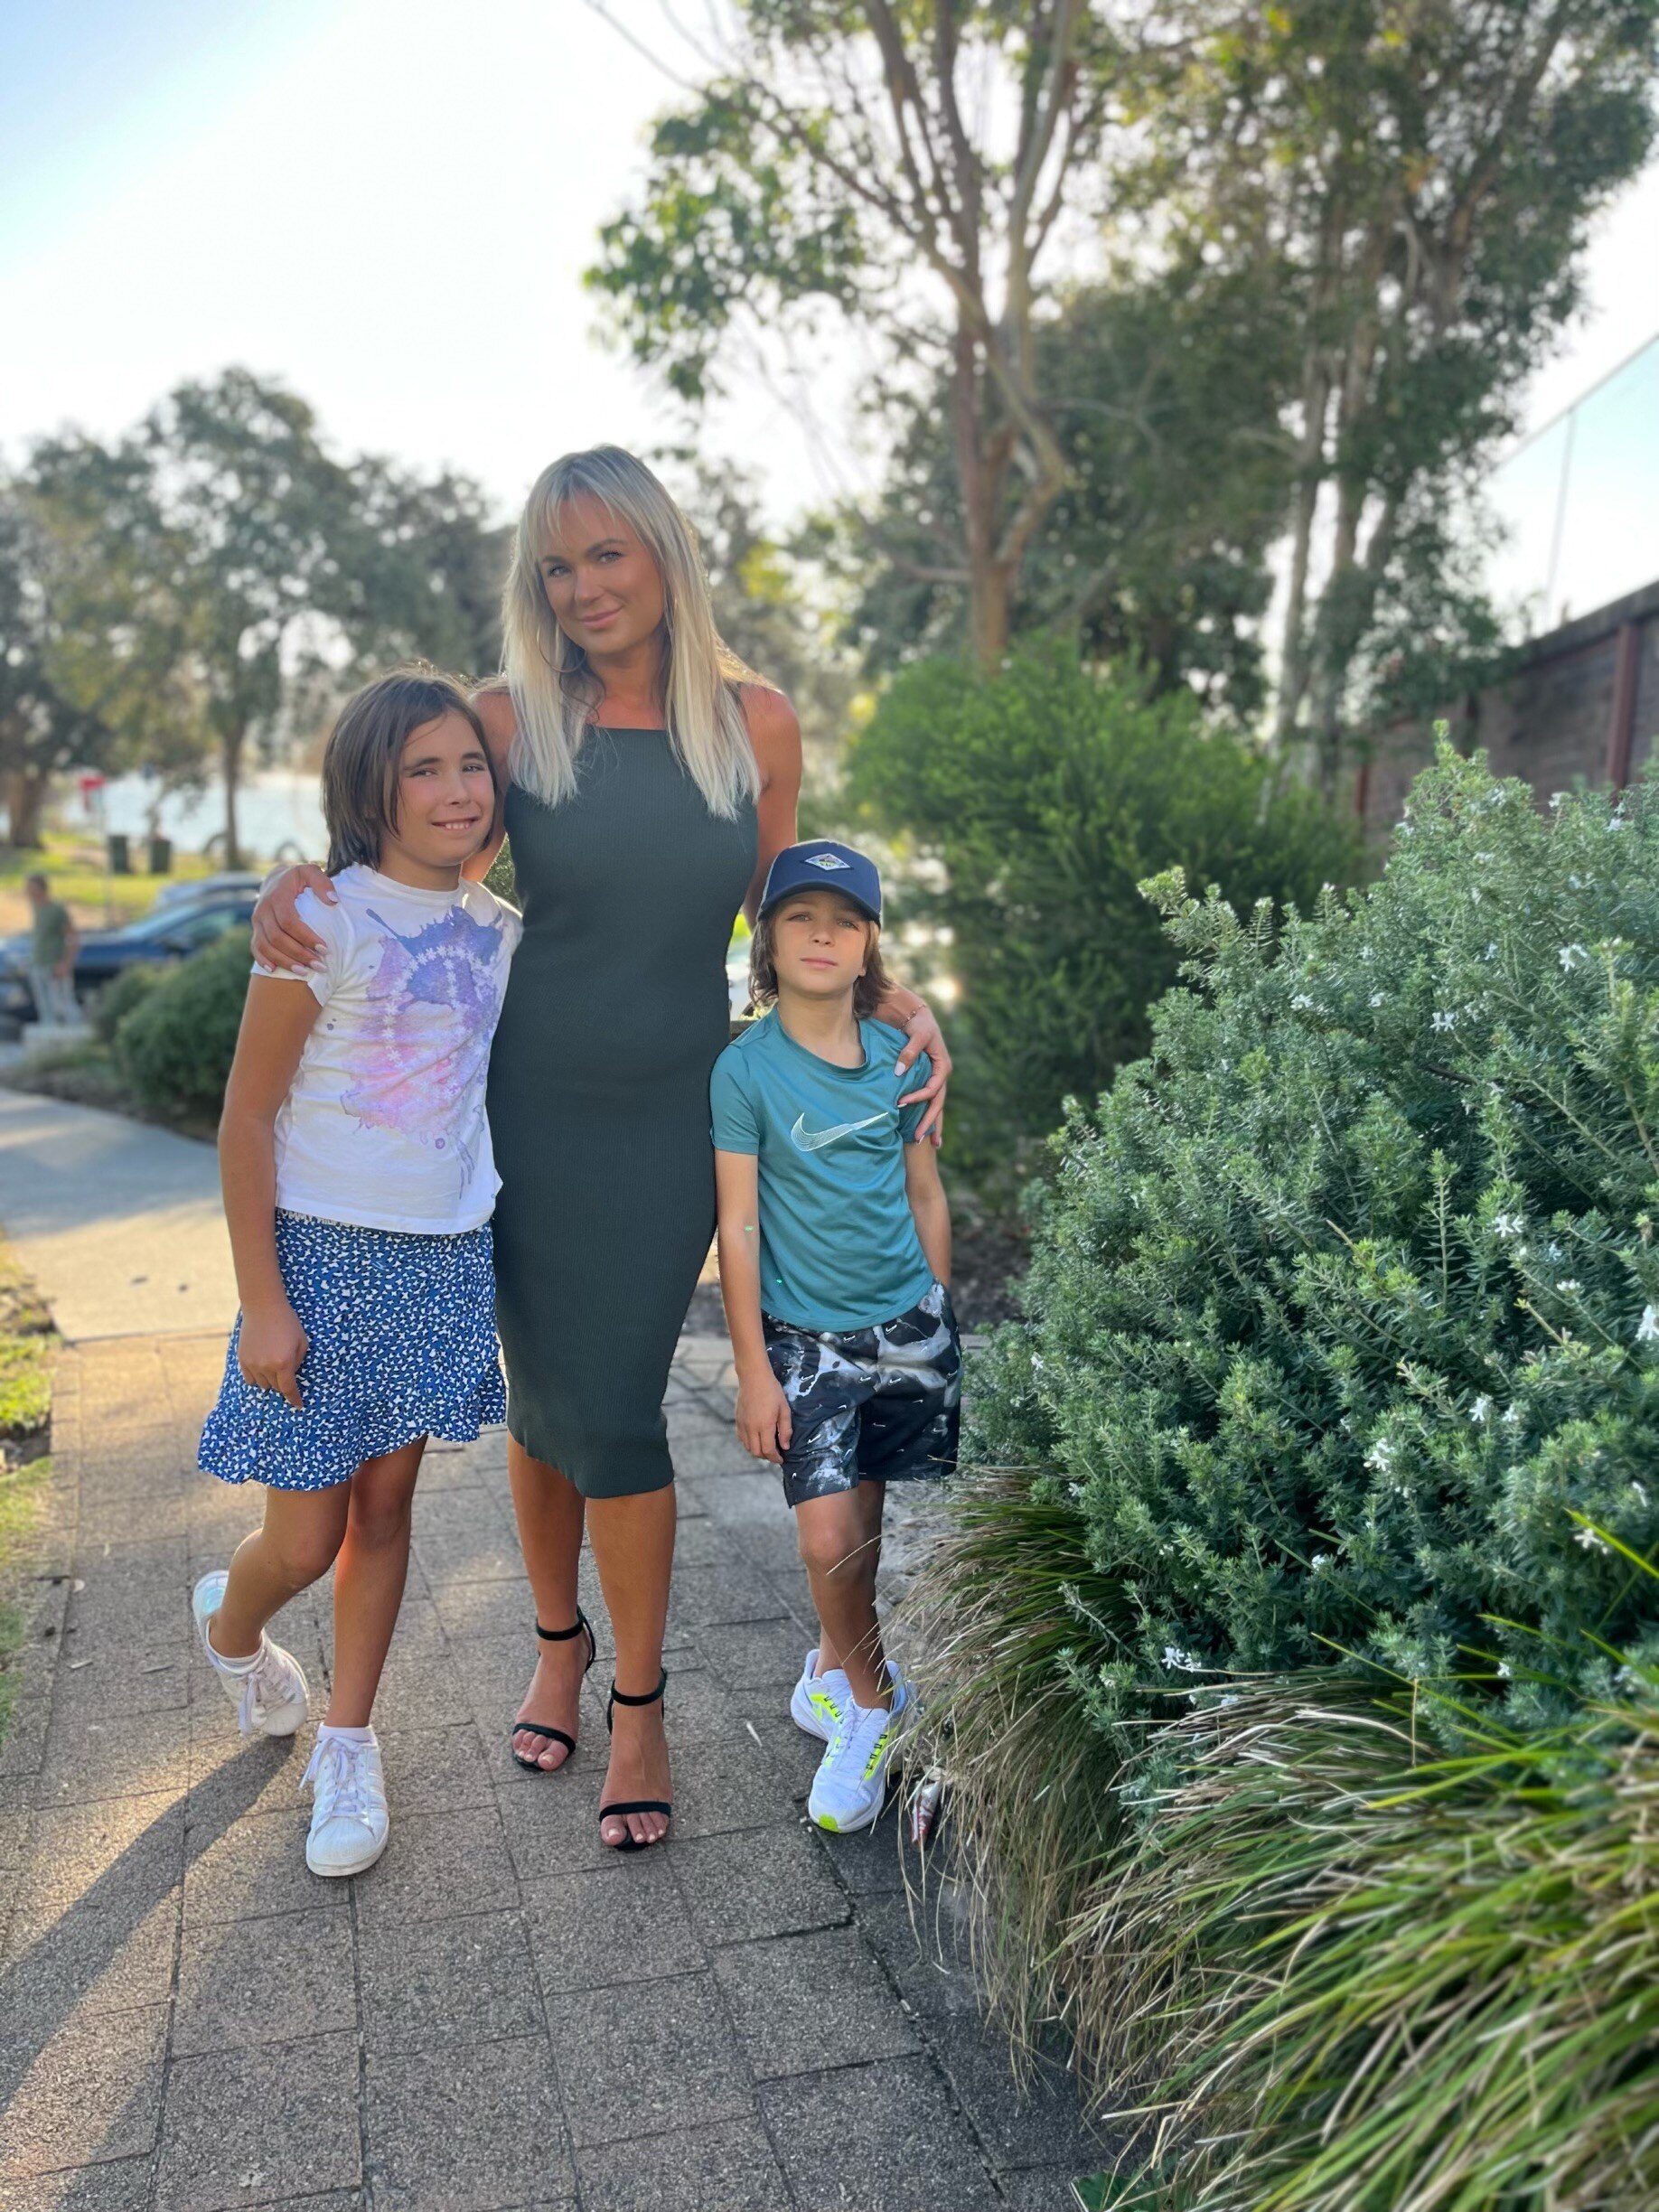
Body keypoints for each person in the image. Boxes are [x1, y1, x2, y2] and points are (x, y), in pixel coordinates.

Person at [250, 445, 950, 1852]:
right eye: (555, 567)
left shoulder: (756, 723)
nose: (580, 590)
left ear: (662, 553)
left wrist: (882, 987)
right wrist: (302, 874)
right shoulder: (509, 722)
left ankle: (641, 1701)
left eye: (604, 556)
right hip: (524, 1106)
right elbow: (407, 816)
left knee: (616, 1400)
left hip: (678, 1117)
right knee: (549, 1400)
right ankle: (561, 1645)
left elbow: (783, 916)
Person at [193, 669, 520, 1878]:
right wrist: (263, 1299)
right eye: (423, 768)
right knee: (301, 1542)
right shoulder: (317, 919)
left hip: (441, 1261)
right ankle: (235, 1640)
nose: (453, 790)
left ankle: (347, 1742)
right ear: (371, 787)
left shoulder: (502, 934)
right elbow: (244, 1119)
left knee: (385, 1515)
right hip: (318, 1260)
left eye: (470, 765)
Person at [712, 840, 960, 1832]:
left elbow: (925, 1193)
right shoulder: (745, 1072)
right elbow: (739, 1226)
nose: (822, 933)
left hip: (906, 1328)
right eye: (800, 916)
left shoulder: (903, 1062)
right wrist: (749, 1372)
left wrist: (938, 1314)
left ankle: (828, 1670)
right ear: (767, 939)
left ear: (870, 948)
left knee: (865, 1521)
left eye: (845, 920)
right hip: (804, 1341)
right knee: (823, 1533)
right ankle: (872, 1706)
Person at [25, 874, 78, 1027]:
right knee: (44, 1006)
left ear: (41, 889)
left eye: (31, 888)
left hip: (55, 965)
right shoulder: (35, 908)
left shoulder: (56, 910)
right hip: (38, 963)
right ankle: (49, 1037)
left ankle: (75, 1036)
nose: (28, 892)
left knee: (63, 1004)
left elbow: (74, 938)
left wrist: (65, 964)